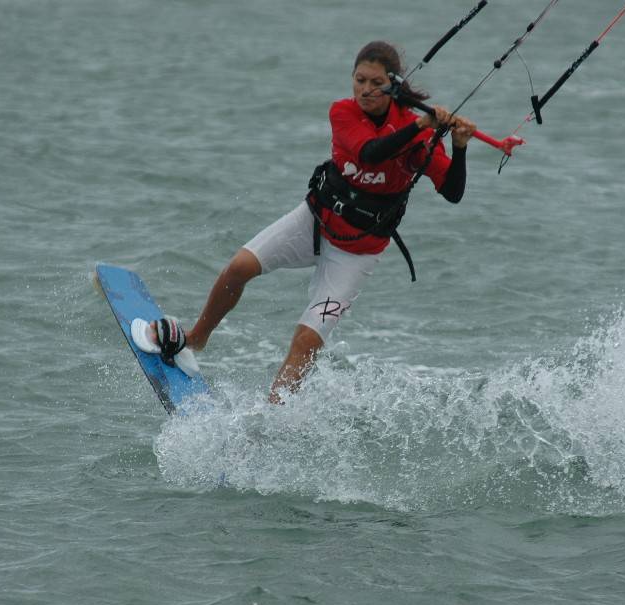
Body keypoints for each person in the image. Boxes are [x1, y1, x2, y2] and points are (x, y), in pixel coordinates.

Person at [136, 40, 478, 404]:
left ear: (393, 85)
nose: (364, 89)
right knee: (238, 268)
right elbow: (370, 153)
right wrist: (422, 124)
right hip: (313, 223)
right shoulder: (344, 113)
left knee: (306, 341)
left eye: (375, 83)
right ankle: (197, 337)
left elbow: (453, 192)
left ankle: (267, 422)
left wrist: (459, 147)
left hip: (356, 255)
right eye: (359, 79)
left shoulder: (418, 135)